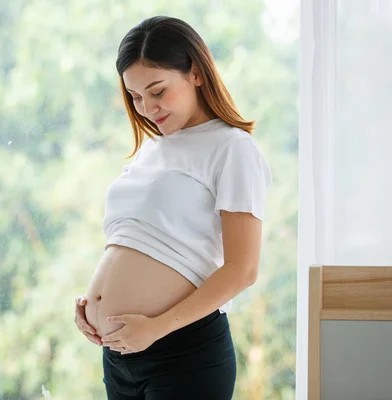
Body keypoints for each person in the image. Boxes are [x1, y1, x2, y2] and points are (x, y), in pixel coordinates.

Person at [73, 15, 272, 400]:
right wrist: (91, 307)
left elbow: (242, 270)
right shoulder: (150, 151)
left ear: (195, 73)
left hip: (184, 352)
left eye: (158, 91)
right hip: (119, 356)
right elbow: (134, 245)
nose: (147, 107)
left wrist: (156, 327)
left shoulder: (232, 148)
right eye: (135, 96)